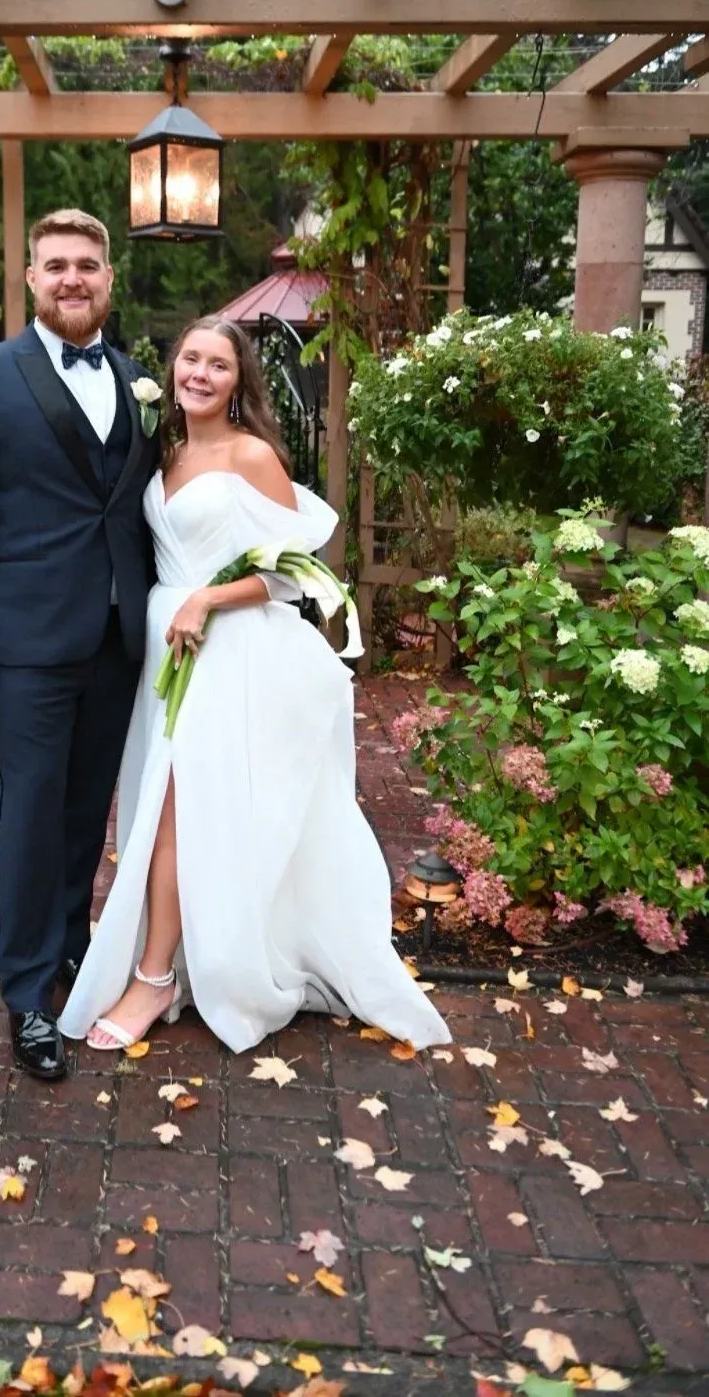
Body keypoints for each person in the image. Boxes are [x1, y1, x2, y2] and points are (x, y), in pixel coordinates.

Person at [59, 315, 451, 1055]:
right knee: (169, 803)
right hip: (163, 648)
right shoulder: (164, 450)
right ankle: (181, 953)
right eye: (191, 360)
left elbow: (293, 575)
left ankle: (153, 976)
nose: (200, 374)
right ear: (173, 369)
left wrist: (208, 599)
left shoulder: (253, 455)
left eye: (219, 365)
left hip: (227, 651)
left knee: (174, 809)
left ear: (240, 382)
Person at [0, 208, 160, 1081]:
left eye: (88, 265)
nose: (73, 278)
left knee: (86, 805)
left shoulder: (139, 380)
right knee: (28, 810)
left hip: (115, 634)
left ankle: (70, 948)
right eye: (56, 264)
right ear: (31, 278)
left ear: (108, 279)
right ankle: (25, 992)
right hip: (22, 637)